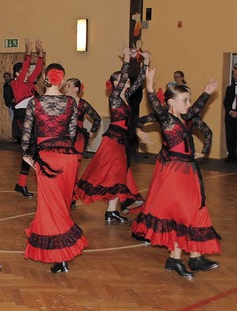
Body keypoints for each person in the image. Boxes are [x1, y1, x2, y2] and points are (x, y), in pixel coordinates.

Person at [132, 68, 220, 279]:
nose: (188, 104)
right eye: (185, 100)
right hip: (176, 172)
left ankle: (192, 257)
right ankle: (177, 259)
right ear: (171, 102)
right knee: (183, 214)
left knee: (196, 211)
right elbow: (154, 106)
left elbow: (196, 109)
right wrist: (150, 87)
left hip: (188, 170)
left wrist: (206, 93)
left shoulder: (182, 117)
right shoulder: (167, 119)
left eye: (189, 100)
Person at [20, 63, 87, 273]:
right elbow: (72, 133)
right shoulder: (70, 102)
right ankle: (61, 256)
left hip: (46, 158)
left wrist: (28, 157)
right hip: (67, 158)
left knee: (50, 207)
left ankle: (60, 256)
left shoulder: (35, 103)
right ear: (62, 80)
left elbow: (26, 134)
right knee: (63, 205)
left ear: (46, 79)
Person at [73, 46, 149, 221]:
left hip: (121, 139)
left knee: (120, 173)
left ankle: (112, 210)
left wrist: (146, 61)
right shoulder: (115, 96)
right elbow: (124, 77)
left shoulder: (125, 95)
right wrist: (126, 59)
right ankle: (116, 207)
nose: (127, 82)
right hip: (113, 140)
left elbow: (139, 81)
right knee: (117, 173)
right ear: (116, 83)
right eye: (123, 80)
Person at [11, 40, 45, 197]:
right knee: (30, 151)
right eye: (22, 72)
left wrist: (41, 54)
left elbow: (37, 70)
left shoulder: (30, 83)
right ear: (17, 74)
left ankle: (21, 184)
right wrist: (28, 52)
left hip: (33, 119)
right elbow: (26, 68)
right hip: (22, 120)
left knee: (31, 152)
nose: (26, 73)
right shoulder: (16, 84)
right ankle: (25, 183)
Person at [64, 78, 101, 206]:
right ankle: (63, 192)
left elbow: (97, 119)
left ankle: (72, 194)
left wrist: (90, 134)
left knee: (75, 167)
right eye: (66, 85)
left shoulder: (83, 104)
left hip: (78, 139)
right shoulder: (62, 102)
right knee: (64, 166)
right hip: (65, 137)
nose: (66, 88)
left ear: (76, 89)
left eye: (69, 86)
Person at [223, 65, 237, 162]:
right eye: (234, 75)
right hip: (230, 116)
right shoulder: (229, 88)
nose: (235, 77)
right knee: (230, 137)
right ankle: (231, 155)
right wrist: (230, 111)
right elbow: (225, 102)